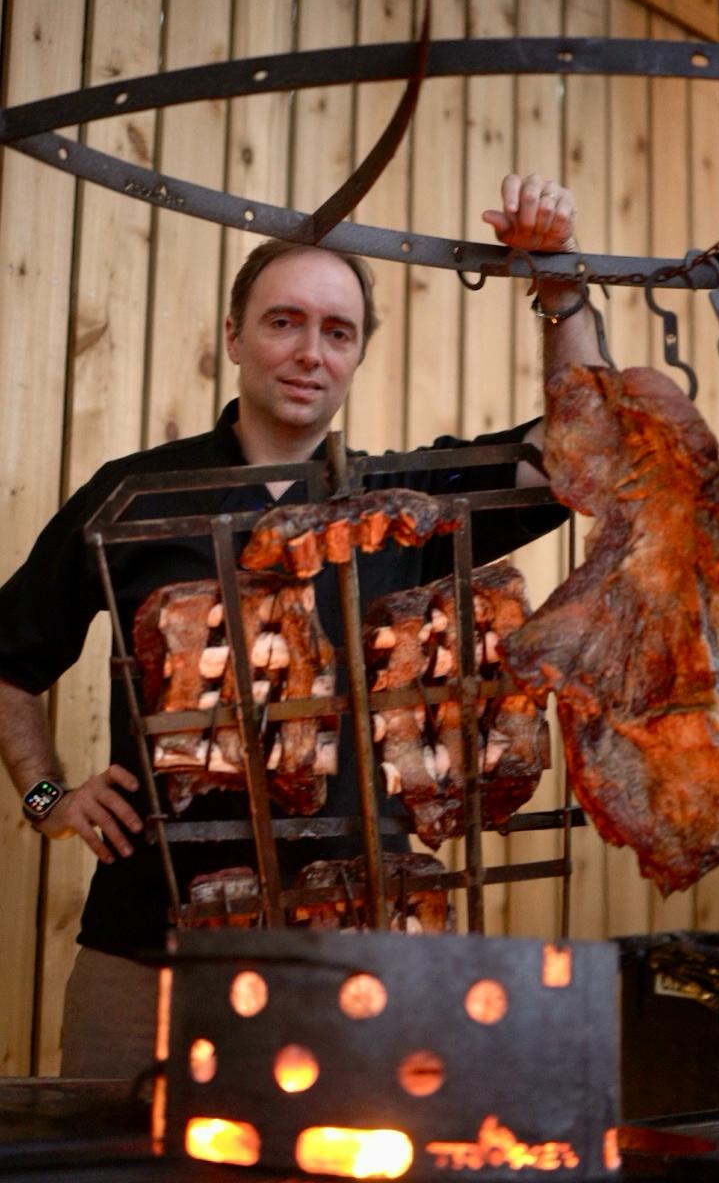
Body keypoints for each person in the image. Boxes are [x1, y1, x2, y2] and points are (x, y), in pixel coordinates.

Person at [0, 174, 603, 1077]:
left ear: (356, 357)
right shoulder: (132, 499)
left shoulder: (406, 504)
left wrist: (561, 292)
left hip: (355, 960)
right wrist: (47, 799)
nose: (309, 352)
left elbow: (582, 443)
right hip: (147, 954)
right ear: (234, 336)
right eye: (284, 321)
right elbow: (10, 660)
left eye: (337, 331)